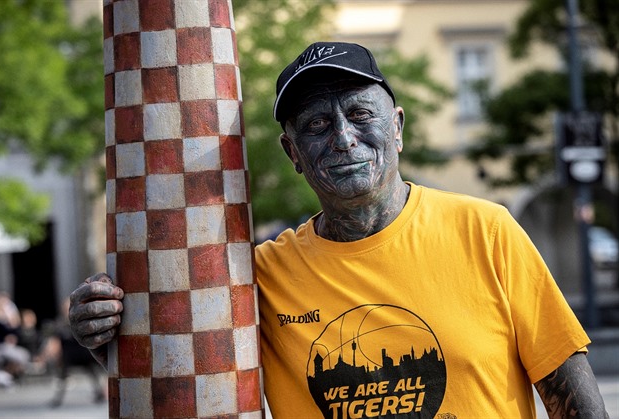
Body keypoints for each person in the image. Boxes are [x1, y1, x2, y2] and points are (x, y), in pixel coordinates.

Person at [69, 42, 608, 418]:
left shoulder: (486, 231)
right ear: (292, 153)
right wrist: (108, 327)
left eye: (360, 114)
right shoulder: (255, 276)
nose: (345, 138)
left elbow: (574, 400)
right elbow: (179, 376)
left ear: (396, 127)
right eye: (317, 125)